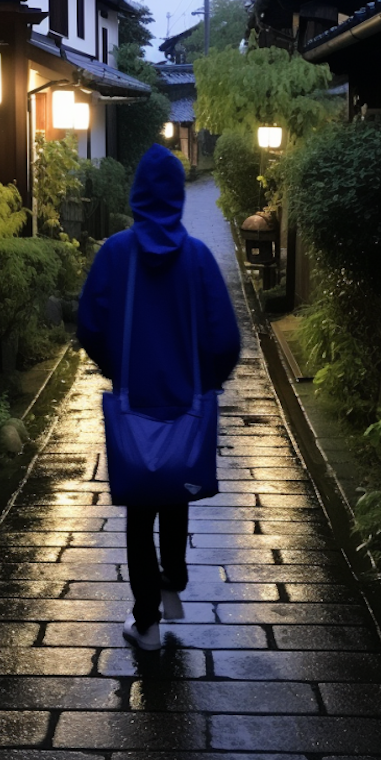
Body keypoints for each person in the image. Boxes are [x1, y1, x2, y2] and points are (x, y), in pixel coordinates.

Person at [77, 143, 240, 651]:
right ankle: (174, 579)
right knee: (176, 491)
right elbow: (225, 339)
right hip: (185, 400)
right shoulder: (196, 258)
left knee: (139, 511)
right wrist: (206, 379)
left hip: (136, 402)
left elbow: (89, 324)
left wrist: (116, 366)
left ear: (137, 195)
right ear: (176, 198)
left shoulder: (115, 253)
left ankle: (145, 622)